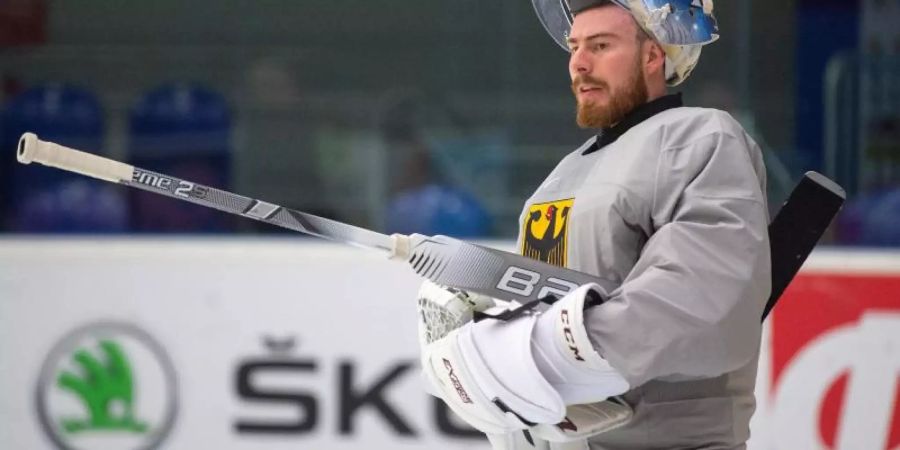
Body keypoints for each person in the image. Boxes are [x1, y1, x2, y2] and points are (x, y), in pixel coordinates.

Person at [417, 1, 770, 449]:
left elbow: (697, 298)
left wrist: (541, 353)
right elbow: (543, 295)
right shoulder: (562, 175)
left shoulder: (701, 138)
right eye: (574, 47)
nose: (579, 64)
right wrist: (490, 336)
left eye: (601, 46)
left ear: (652, 55)